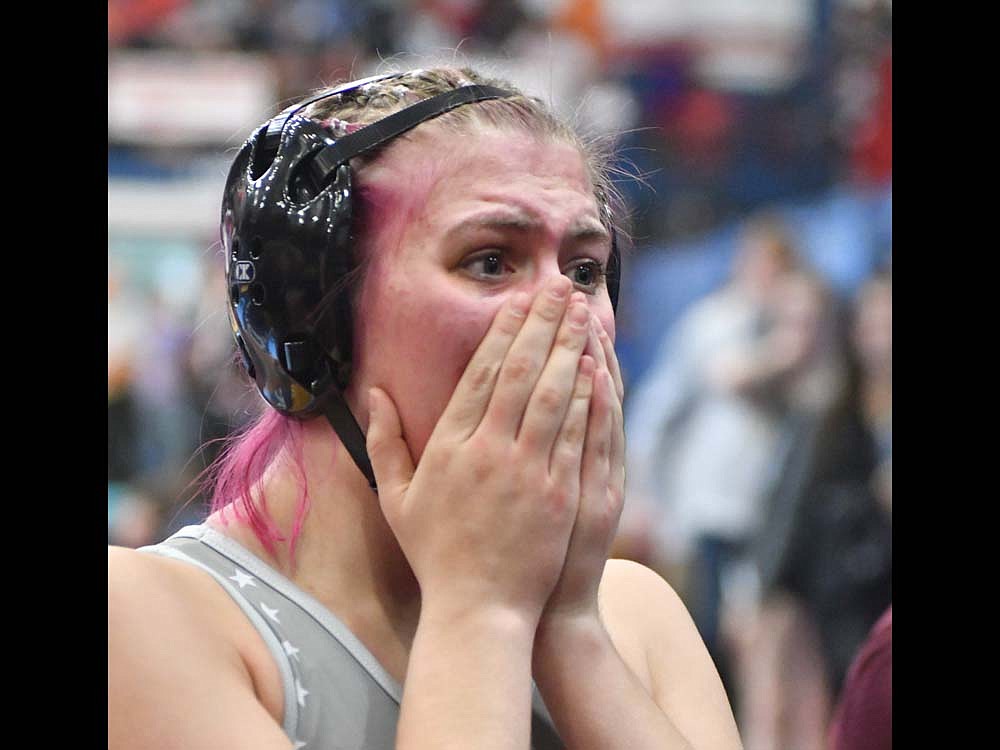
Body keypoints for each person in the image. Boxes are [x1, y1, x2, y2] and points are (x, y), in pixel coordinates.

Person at [108, 67, 743, 750]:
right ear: (314, 320)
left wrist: (567, 629)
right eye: (492, 261)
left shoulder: (634, 614)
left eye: (584, 269)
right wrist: (482, 610)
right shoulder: (145, 617)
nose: (566, 314)